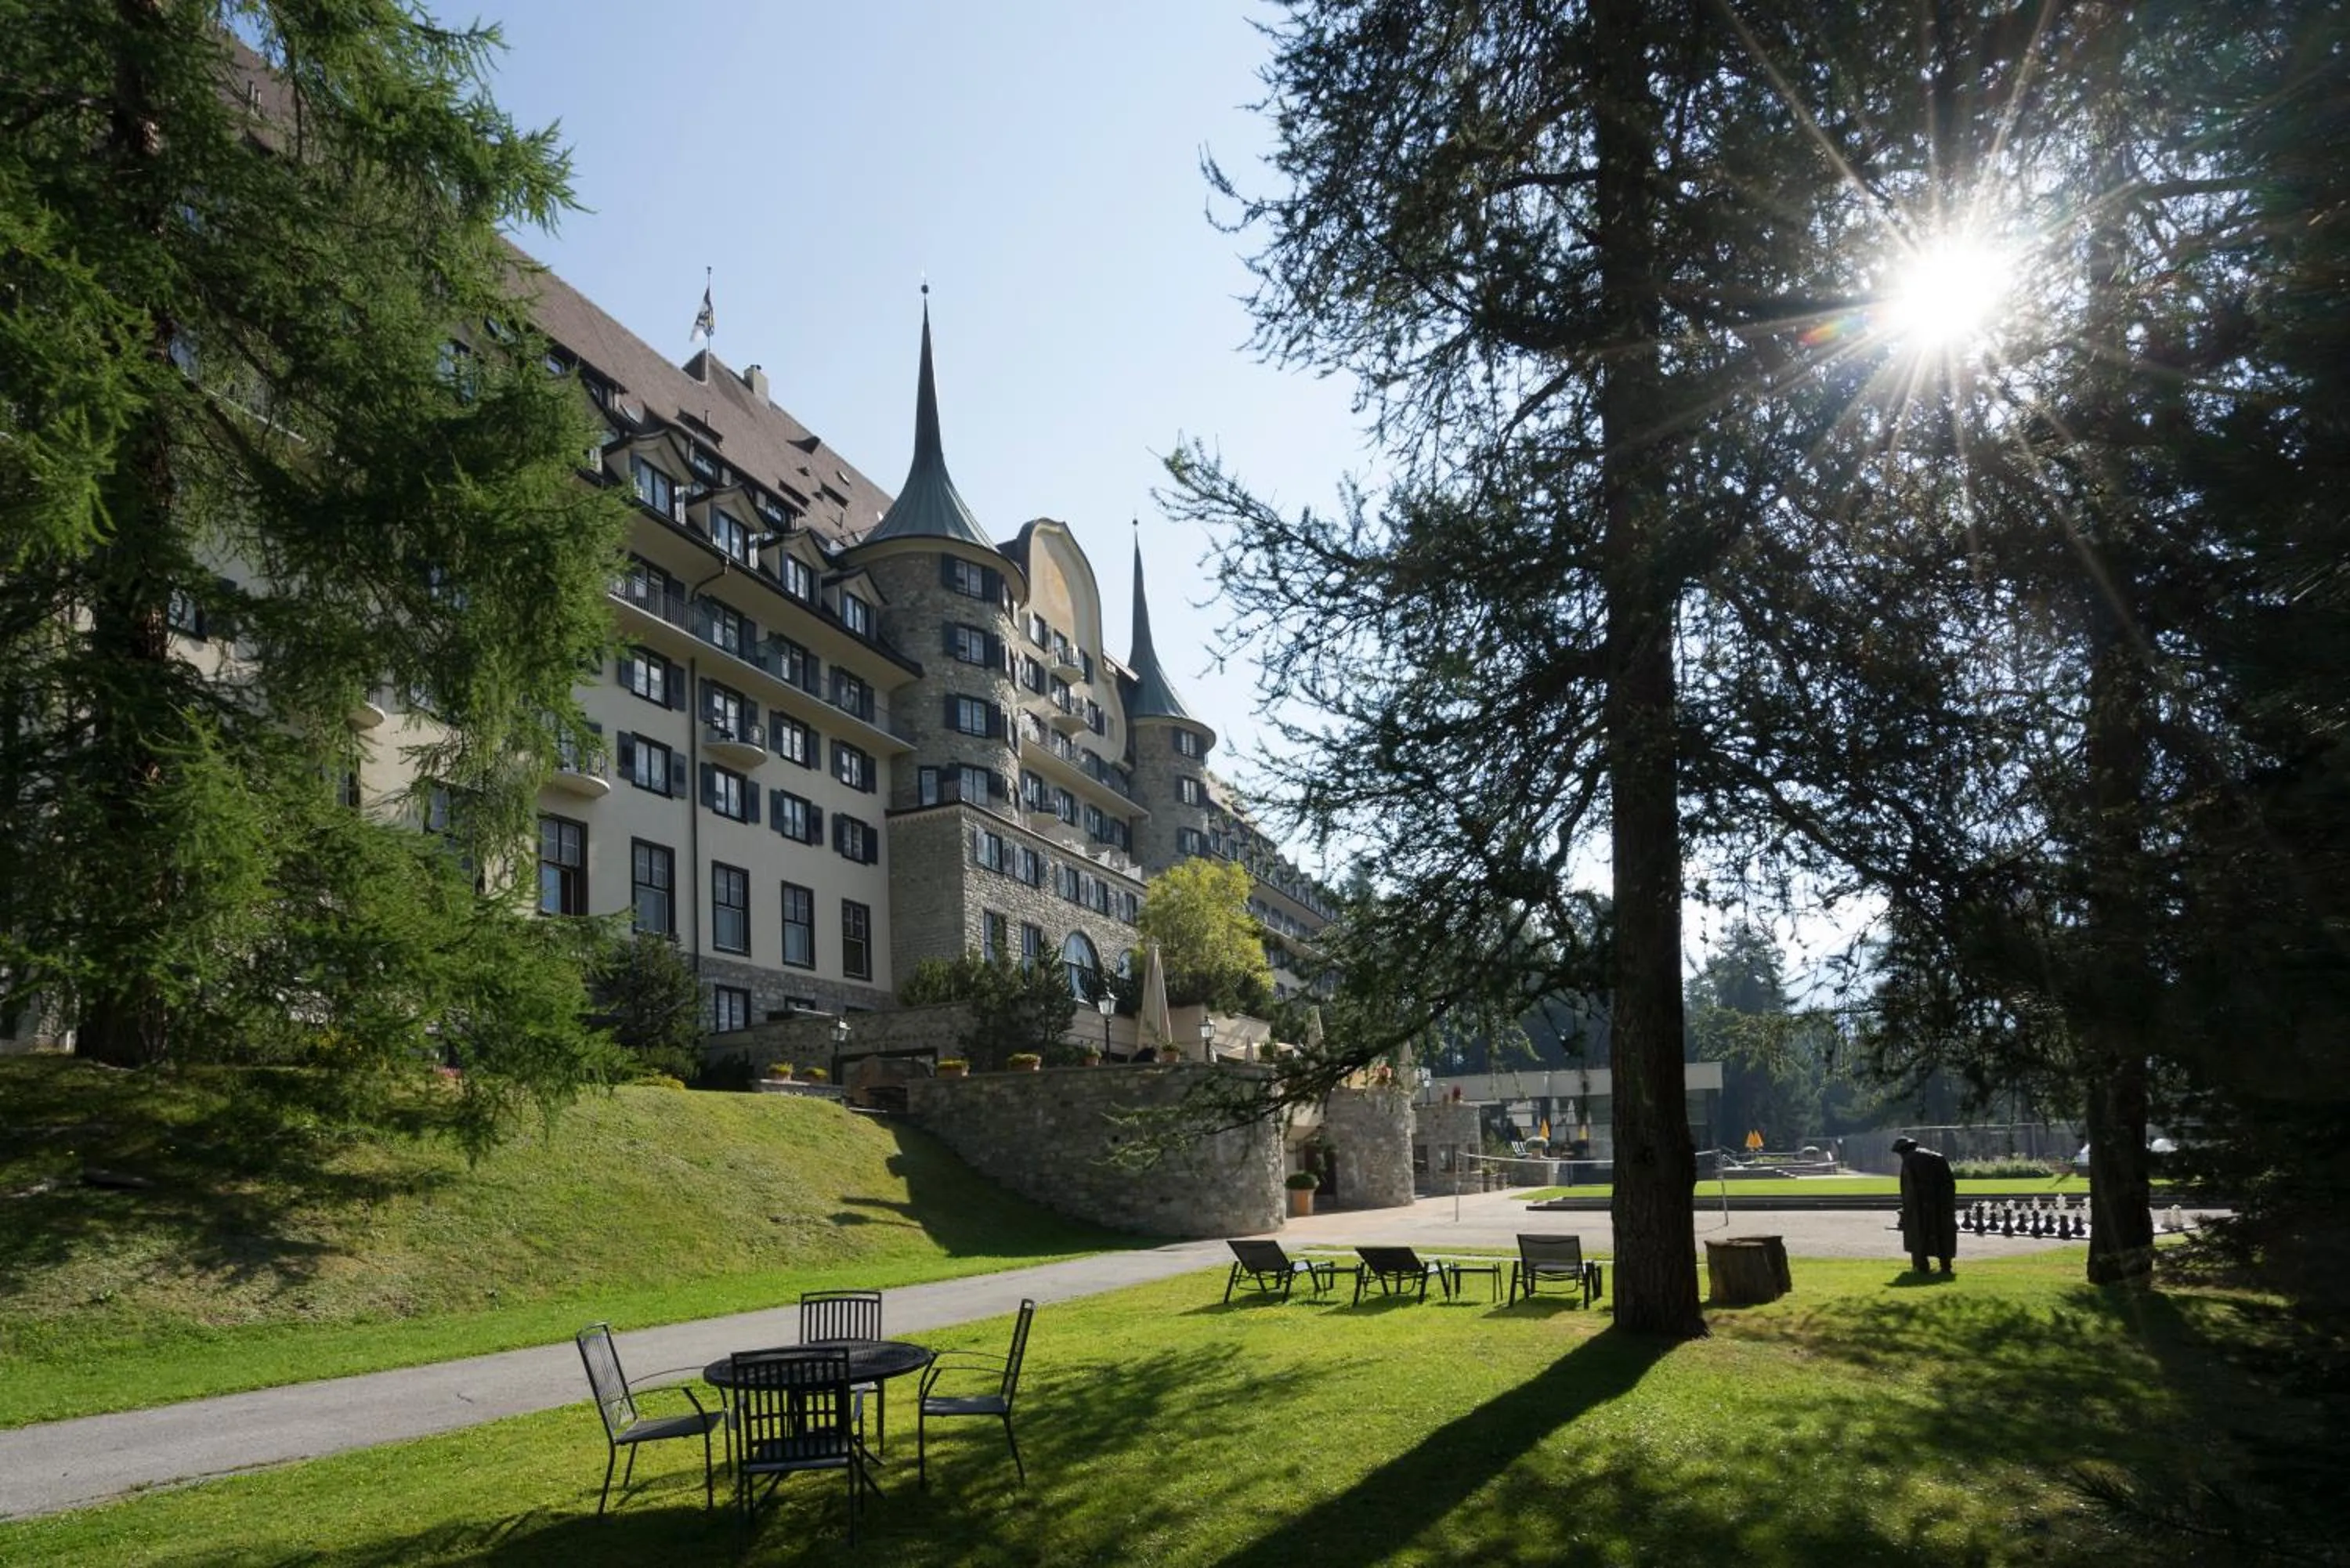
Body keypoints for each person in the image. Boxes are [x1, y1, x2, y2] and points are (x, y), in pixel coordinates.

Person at [1892, 1136, 1958, 1276]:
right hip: (1941, 1204)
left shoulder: (1909, 1160)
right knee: (1942, 1233)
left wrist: (1908, 1208)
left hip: (1920, 1205)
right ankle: (1946, 1266)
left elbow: (1909, 1188)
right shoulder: (1938, 1157)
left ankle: (1921, 1266)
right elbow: (1950, 1184)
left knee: (1918, 1234)